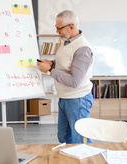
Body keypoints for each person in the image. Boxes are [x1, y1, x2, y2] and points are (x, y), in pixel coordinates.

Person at [37, 10, 95, 144]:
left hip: (78, 100)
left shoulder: (83, 49)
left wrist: (50, 70)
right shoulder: (66, 41)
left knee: (79, 139)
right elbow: (67, 63)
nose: (57, 31)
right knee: (63, 137)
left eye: (59, 28)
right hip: (65, 98)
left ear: (72, 27)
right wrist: (52, 63)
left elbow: (75, 81)